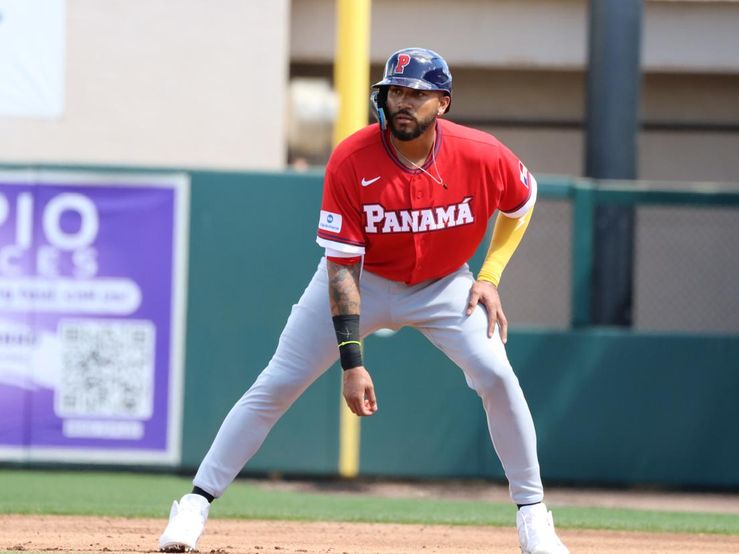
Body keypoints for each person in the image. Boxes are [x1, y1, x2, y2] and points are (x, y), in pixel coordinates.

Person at [159, 47, 569, 554]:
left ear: (443, 103)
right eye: (395, 91)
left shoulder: (481, 153)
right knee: (278, 382)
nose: (403, 102)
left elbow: (522, 203)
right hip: (363, 278)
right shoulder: (353, 159)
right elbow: (341, 272)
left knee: (497, 375)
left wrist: (490, 274)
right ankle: (194, 506)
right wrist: (352, 363)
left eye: (417, 94)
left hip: (444, 286)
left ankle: (534, 518)